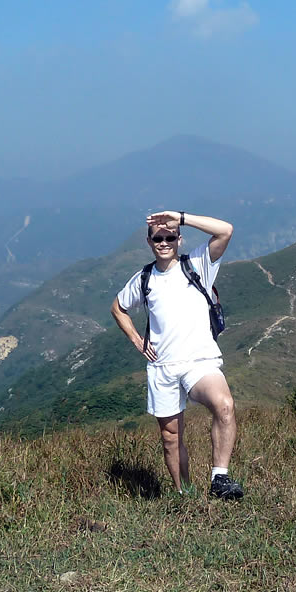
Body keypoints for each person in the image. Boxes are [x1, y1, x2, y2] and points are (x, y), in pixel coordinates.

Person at [111, 209, 244, 500]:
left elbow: (225, 230)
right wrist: (136, 339)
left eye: (170, 236)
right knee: (171, 439)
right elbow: (118, 308)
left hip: (199, 361)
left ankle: (219, 478)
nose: (164, 242)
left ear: (179, 239)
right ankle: (185, 493)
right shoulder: (144, 278)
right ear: (149, 242)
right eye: (157, 238)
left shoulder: (198, 264)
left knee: (224, 405)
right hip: (163, 367)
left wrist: (180, 217)